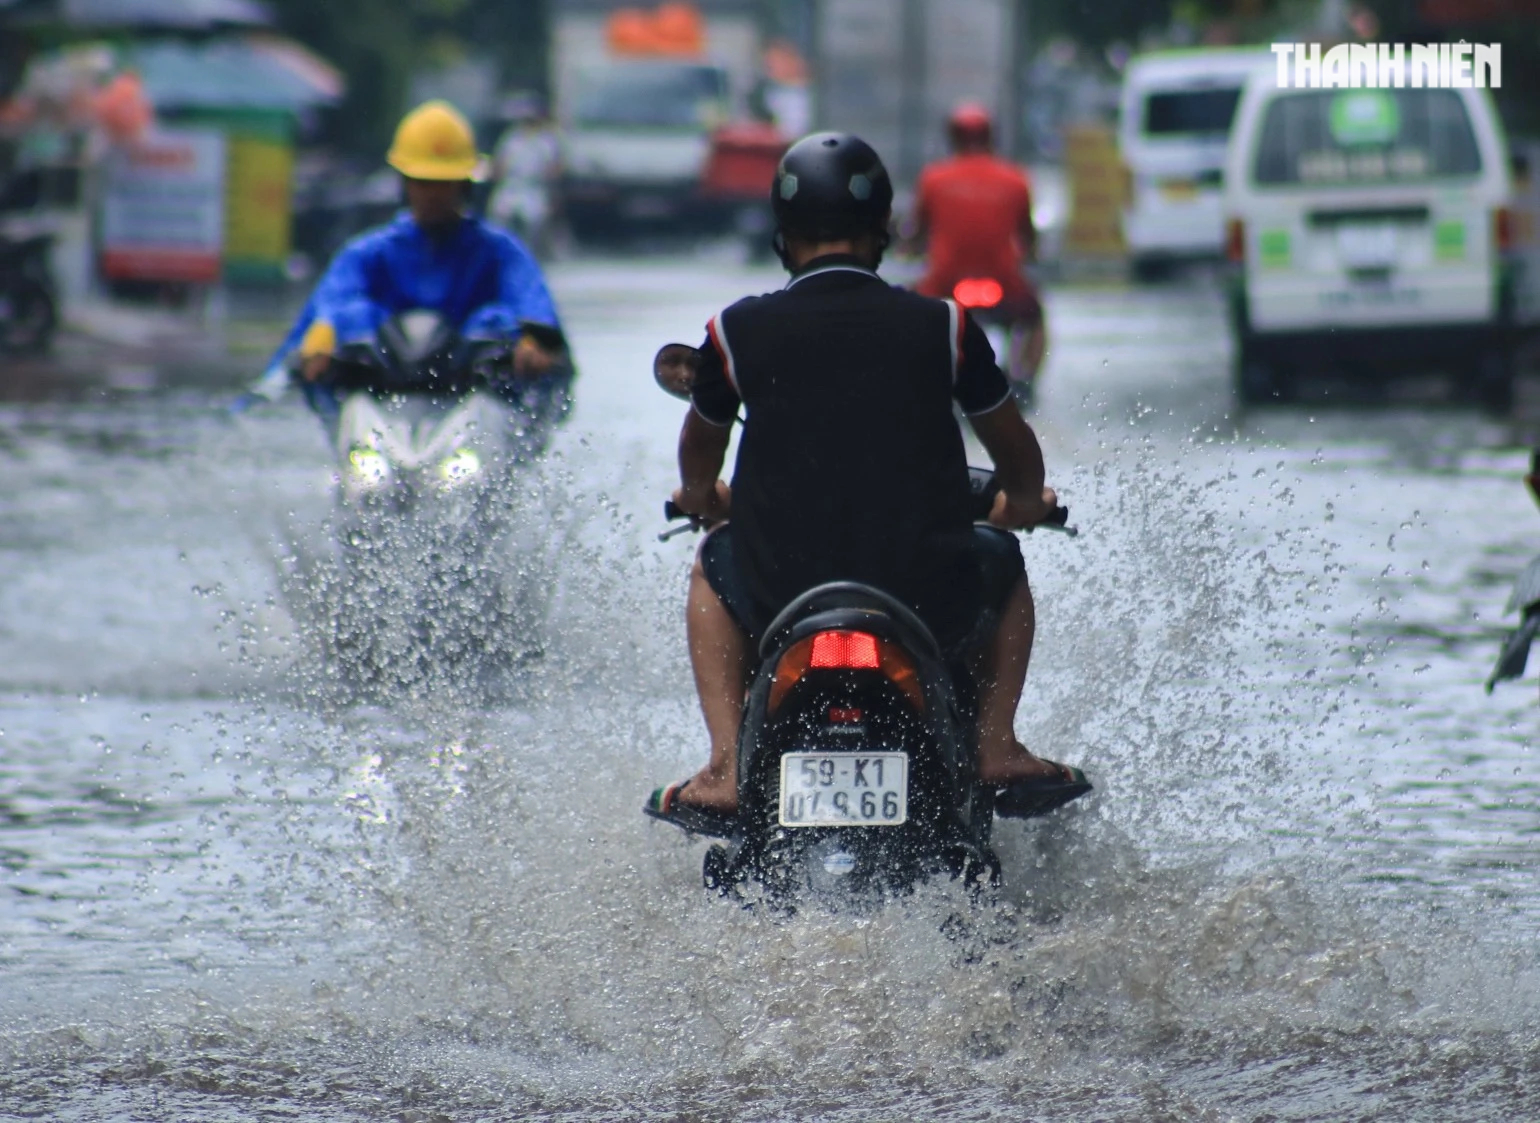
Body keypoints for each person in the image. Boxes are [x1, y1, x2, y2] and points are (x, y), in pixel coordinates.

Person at [647, 131, 1087, 825]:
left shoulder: (734, 329)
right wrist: (1026, 501)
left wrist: (701, 500)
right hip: (924, 596)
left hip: (779, 593)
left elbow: (698, 454)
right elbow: (1015, 448)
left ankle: (728, 766)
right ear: (883, 230)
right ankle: (997, 746)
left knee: (709, 561)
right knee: (1004, 556)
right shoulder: (944, 324)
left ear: (783, 236)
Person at [263, 100, 568, 434]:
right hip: (381, 410)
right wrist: (320, 337)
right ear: (404, 185)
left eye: (444, 182)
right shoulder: (369, 253)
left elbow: (533, 305)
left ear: (464, 185)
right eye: (423, 182)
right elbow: (333, 302)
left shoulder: (499, 251)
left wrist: (534, 342)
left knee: (494, 321)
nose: (433, 194)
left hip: (473, 412)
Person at [907, 103, 1045, 404]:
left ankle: (916, 374)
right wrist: (1032, 255)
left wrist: (910, 249)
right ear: (991, 137)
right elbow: (1028, 237)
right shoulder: (1015, 178)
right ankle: (1024, 379)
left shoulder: (933, 178)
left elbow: (916, 233)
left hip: (944, 282)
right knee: (1035, 318)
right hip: (1005, 281)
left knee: (910, 316)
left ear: (952, 138)